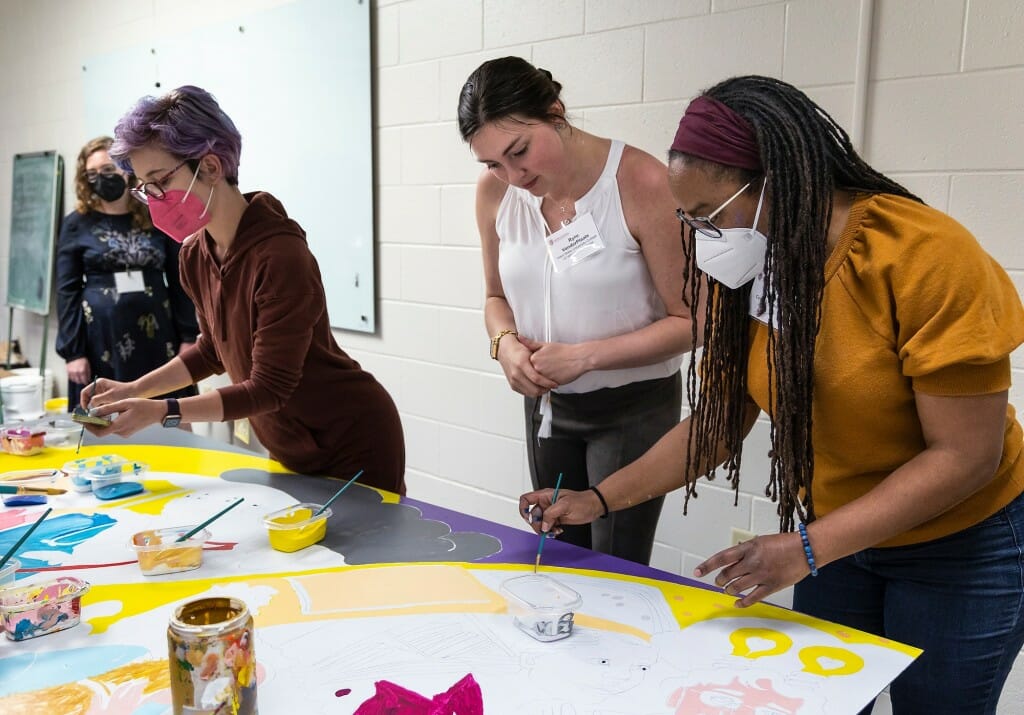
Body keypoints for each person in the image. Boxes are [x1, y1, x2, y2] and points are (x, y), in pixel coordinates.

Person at [520, 75, 1024, 713]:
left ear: (780, 181)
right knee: (822, 700)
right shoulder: (758, 264)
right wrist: (598, 499)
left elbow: (964, 456)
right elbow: (719, 424)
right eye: (689, 219)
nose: (703, 236)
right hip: (842, 539)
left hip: (962, 543)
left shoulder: (925, 258)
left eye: (709, 215)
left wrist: (808, 548)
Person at [83, 85, 405, 494]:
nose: (156, 199)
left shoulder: (281, 256)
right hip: (291, 441)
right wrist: (134, 389)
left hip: (350, 436)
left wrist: (162, 411)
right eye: (147, 188)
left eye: (161, 181)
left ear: (212, 167)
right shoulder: (195, 254)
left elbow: (268, 387)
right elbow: (213, 350)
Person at [458, 57, 695, 565]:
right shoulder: (496, 193)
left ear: (555, 112)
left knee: (617, 567)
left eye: (519, 151)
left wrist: (586, 357)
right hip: (548, 407)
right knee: (560, 556)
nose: (513, 174)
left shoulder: (642, 182)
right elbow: (495, 298)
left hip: (632, 406)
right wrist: (504, 347)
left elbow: (692, 321)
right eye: (493, 163)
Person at [56, 136, 199, 409]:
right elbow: (66, 291)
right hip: (101, 340)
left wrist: (189, 337)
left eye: (108, 170)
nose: (101, 179)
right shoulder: (76, 224)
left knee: (170, 417)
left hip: (159, 336)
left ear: (126, 169)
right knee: (105, 421)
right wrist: (73, 353)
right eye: (92, 174)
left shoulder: (155, 214)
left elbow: (181, 279)